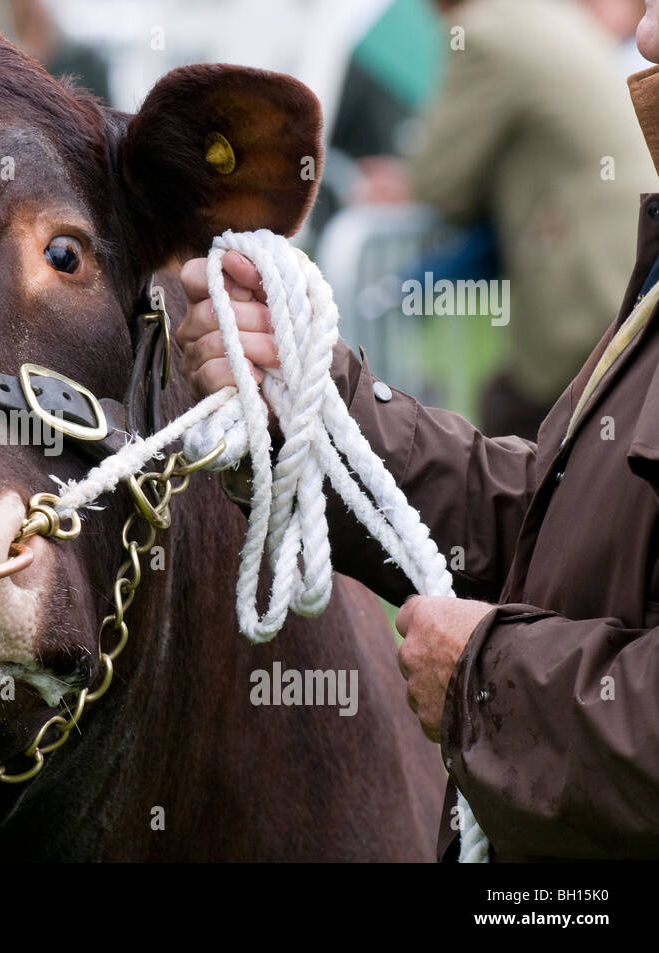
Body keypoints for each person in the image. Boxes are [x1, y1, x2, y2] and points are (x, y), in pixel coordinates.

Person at [176, 2, 659, 861]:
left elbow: (437, 174)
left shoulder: (498, 30)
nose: (647, 35)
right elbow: (557, 537)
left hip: (560, 314)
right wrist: (324, 404)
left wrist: (485, 682)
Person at [352, 0, 653, 441]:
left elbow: (440, 180)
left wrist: (399, 186)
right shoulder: (549, 15)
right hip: (630, 260)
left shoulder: (483, 31)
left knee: (516, 427)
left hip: (588, 285)